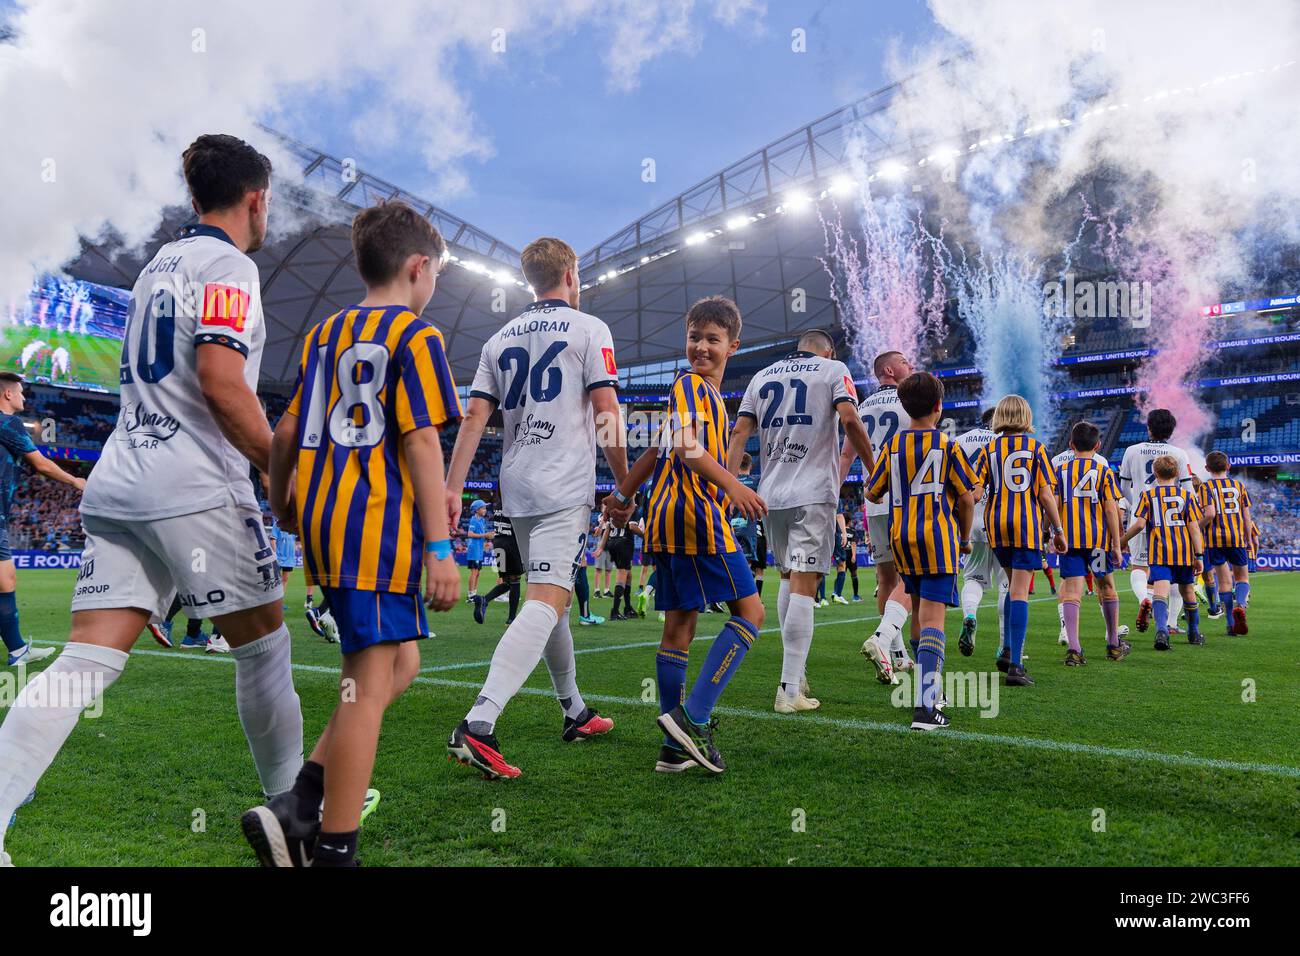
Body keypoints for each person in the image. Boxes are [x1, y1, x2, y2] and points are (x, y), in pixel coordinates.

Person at [0, 134, 304, 867]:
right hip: (191, 481)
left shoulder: (156, 269)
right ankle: (300, 816)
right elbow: (222, 382)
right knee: (264, 649)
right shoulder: (227, 264)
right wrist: (281, 471)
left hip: (120, 477)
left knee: (82, 662)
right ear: (256, 197)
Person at [242, 200, 461, 868]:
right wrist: (441, 547)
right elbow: (421, 439)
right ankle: (334, 850)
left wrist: (281, 501)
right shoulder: (416, 337)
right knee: (365, 686)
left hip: (328, 523)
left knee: (402, 664)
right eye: (437, 279)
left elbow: (283, 432)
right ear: (420, 268)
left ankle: (299, 802)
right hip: (377, 526)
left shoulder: (323, 334)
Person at [444, 237, 627, 779]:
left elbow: (474, 418)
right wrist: (622, 485)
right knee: (548, 598)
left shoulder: (498, 339)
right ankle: (478, 723)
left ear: (529, 278)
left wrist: (452, 487)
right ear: (571, 272)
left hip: (515, 484)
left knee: (552, 600)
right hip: (562, 485)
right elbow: (606, 409)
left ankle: (574, 711)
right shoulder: (590, 328)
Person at [605, 296, 765, 774]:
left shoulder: (697, 393)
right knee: (751, 611)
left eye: (712, 340)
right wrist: (734, 484)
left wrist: (623, 496)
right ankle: (693, 717)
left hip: (665, 518)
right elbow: (687, 449)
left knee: (679, 627)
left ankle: (674, 750)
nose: (700, 347)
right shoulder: (694, 386)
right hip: (695, 515)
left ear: (732, 346)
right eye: (694, 337)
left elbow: (656, 451)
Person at [728, 328, 874, 713]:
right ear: (827, 351)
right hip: (812, 493)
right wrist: (874, 466)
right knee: (806, 587)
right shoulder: (832, 369)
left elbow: (739, 432)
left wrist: (729, 483)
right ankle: (789, 689)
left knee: (789, 578)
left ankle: (798, 671)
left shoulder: (762, 376)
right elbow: (851, 420)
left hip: (771, 494)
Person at [864, 372, 976, 731]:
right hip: (938, 538)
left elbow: (871, 492)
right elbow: (966, 495)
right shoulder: (948, 445)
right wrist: (963, 535)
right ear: (939, 406)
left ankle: (931, 690)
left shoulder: (893, 446)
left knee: (916, 613)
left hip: (902, 538)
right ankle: (927, 708)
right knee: (933, 620)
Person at [969, 394, 1066, 686]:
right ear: (1026, 417)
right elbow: (1046, 494)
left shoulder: (989, 449)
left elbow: (974, 492)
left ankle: (1009, 647)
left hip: (996, 525)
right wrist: (1058, 531)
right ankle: (1016, 665)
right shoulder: (1036, 448)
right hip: (1025, 524)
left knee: (1013, 587)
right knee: (1020, 591)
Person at [839, 350, 918, 683]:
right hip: (906, 498)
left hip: (875, 500)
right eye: (904, 361)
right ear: (888, 369)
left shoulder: (861, 407)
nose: (910, 365)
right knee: (914, 577)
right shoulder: (911, 401)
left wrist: (833, 493)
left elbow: (846, 454)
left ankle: (897, 656)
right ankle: (886, 641)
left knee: (886, 579)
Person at [0, 372, 86, 667]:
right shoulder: (7, 422)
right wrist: (75, 481)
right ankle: (17, 650)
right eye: (21, 392)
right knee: (5, 580)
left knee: (4, 580)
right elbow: (41, 464)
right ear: (8, 394)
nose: (24, 397)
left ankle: (17, 650)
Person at [1055, 421, 1129, 664]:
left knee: (1072, 591)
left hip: (1070, 540)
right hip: (1098, 541)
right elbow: (1111, 509)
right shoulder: (1105, 471)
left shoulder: (1061, 470)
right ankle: (1113, 644)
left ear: (1071, 444)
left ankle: (1074, 649)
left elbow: (1053, 504)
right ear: (1098, 445)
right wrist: (1117, 544)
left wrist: (1051, 531)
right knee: (1106, 585)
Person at [1118, 408, 1193, 634]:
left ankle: (1144, 599)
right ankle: (1170, 623)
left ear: (1149, 427)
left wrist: (1138, 508)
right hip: (1171, 523)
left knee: (1139, 566)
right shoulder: (1179, 453)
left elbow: (1123, 488)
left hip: (1140, 518)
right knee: (1172, 573)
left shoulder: (1131, 450)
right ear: (1171, 429)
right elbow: (1188, 489)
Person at [1120, 455, 1205, 650]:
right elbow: (1193, 527)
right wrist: (1198, 555)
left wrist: (1122, 540)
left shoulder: (1147, 495)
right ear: (1177, 473)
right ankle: (1194, 632)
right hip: (1184, 553)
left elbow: (1139, 524)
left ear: (1155, 473)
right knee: (1188, 592)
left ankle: (1161, 631)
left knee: (1160, 592)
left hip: (1160, 553)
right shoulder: (1188, 496)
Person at [956, 408, 999, 658]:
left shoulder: (959, 441)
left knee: (973, 578)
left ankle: (970, 614)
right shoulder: (1006, 443)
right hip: (1002, 518)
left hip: (971, 517)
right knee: (1007, 583)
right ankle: (1006, 647)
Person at [1199, 451, 1254, 637]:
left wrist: (1196, 528)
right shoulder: (1239, 485)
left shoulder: (1205, 487)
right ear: (1228, 466)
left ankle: (1231, 624)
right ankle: (1241, 604)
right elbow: (1247, 517)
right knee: (1242, 578)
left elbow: (1209, 514)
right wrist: (1249, 539)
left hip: (1214, 540)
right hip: (1236, 537)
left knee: (1223, 581)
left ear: (1207, 468)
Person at [472, 512, 522, 626]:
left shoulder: (500, 504)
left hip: (499, 543)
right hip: (511, 544)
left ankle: (484, 600)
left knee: (508, 581)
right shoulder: (514, 502)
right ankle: (511, 619)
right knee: (515, 580)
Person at [463, 499, 490, 601]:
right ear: (476, 510)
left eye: (485, 508)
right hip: (474, 549)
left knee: (477, 573)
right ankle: (470, 595)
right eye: (483, 508)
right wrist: (485, 535)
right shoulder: (473, 520)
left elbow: (482, 535)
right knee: (474, 572)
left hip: (479, 550)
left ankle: (474, 593)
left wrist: (486, 542)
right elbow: (470, 534)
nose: (485, 510)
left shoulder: (482, 520)